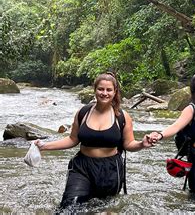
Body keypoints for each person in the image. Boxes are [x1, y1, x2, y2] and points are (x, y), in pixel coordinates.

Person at [34, 72, 157, 208]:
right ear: (95, 90)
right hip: (82, 167)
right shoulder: (83, 113)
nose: (104, 93)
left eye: (109, 90)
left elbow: (128, 144)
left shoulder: (122, 116)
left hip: (110, 170)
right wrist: (44, 146)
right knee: (69, 207)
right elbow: (72, 139)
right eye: (101, 89)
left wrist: (142, 144)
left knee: (100, 208)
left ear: (115, 92)